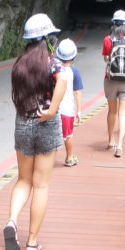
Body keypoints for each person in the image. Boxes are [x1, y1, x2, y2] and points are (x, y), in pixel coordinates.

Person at [4, 13, 66, 250]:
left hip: (23, 123)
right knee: (41, 185)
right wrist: (51, 110)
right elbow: (63, 80)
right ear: (47, 39)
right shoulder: (52, 63)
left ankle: (11, 222)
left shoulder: (19, 65)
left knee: (23, 180)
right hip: (46, 125)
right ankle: (31, 242)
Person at [102, 9, 125, 158]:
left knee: (112, 111)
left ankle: (111, 141)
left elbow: (105, 58)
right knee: (123, 113)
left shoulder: (107, 39)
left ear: (113, 23)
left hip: (110, 79)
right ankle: (120, 146)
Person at [55, 38, 82, 167]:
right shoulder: (74, 72)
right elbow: (77, 93)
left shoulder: (53, 70)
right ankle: (69, 157)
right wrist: (79, 110)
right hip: (67, 110)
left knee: (52, 135)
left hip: (53, 109)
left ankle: (46, 160)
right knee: (68, 135)